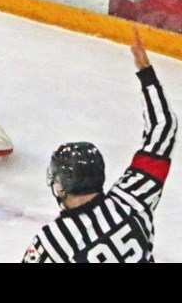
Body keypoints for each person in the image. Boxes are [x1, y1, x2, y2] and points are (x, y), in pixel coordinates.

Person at [22, 26, 177, 262]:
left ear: (61, 185)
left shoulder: (52, 241)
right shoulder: (132, 199)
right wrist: (146, 74)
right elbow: (163, 127)